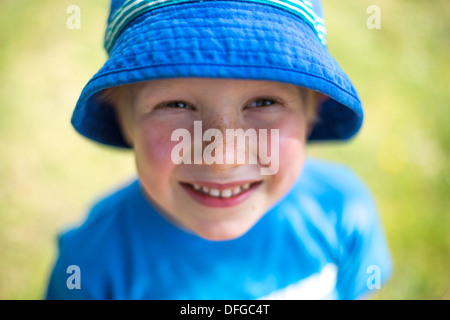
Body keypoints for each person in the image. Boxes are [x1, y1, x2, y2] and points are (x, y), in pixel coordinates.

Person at [46, 0, 392, 299]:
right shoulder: (90, 265)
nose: (223, 158)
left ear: (312, 110)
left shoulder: (343, 211)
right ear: (122, 118)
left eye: (264, 101)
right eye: (176, 104)